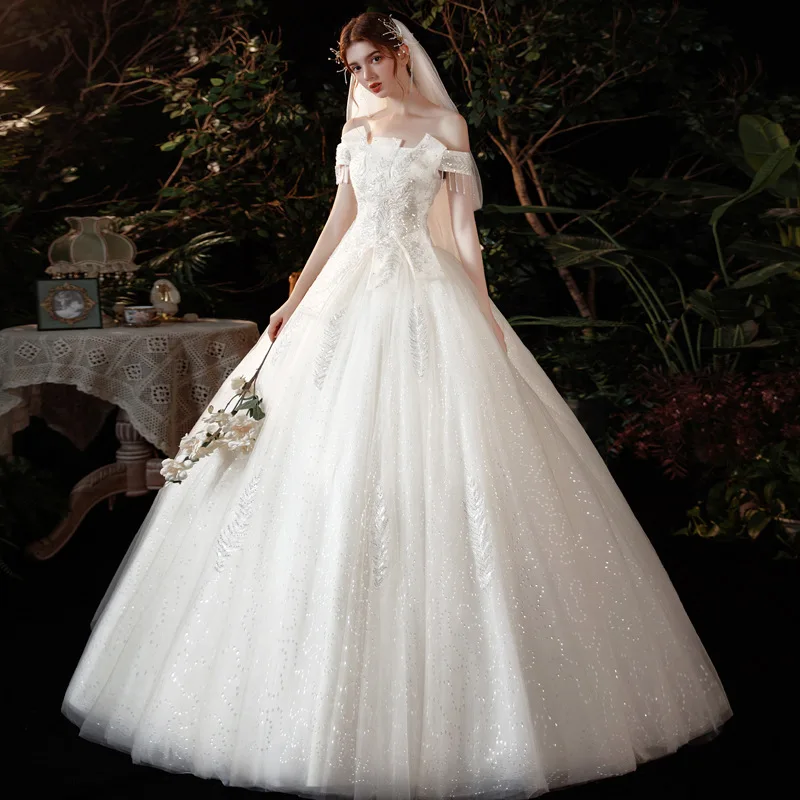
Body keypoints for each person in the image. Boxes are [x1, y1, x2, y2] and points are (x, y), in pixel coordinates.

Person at [62, 12, 732, 799]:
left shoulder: (444, 126)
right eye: (354, 67)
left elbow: (462, 230)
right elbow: (339, 221)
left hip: (427, 295)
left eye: (374, 61)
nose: (366, 77)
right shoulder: (357, 129)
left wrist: (482, 309)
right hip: (349, 300)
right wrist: (294, 301)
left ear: (401, 55)